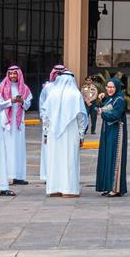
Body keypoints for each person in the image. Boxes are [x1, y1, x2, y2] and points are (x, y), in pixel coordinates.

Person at [41, 69, 86, 197]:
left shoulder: (52, 95)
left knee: (55, 160)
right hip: (70, 133)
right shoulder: (75, 95)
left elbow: (46, 117)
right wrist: (81, 135)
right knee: (69, 160)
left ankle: (54, 189)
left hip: (53, 133)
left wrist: (45, 133)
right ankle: (69, 190)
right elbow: (81, 117)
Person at [0, 66, 32, 185]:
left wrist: (22, 101)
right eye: (10, 73)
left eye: (15, 73)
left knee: (19, 149)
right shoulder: (2, 87)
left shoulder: (24, 88)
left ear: (19, 75)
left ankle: (18, 176)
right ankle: (6, 176)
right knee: (7, 149)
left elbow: (28, 106)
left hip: (18, 124)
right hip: (6, 123)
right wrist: (10, 101)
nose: (13, 76)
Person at [95, 78, 128, 197]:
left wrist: (102, 113)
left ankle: (115, 188)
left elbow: (115, 115)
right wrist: (103, 99)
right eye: (108, 87)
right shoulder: (111, 99)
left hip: (116, 132)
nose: (110, 89)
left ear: (117, 88)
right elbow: (105, 107)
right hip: (108, 132)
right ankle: (108, 186)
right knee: (107, 157)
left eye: (112, 87)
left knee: (114, 157)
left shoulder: (119, 100)